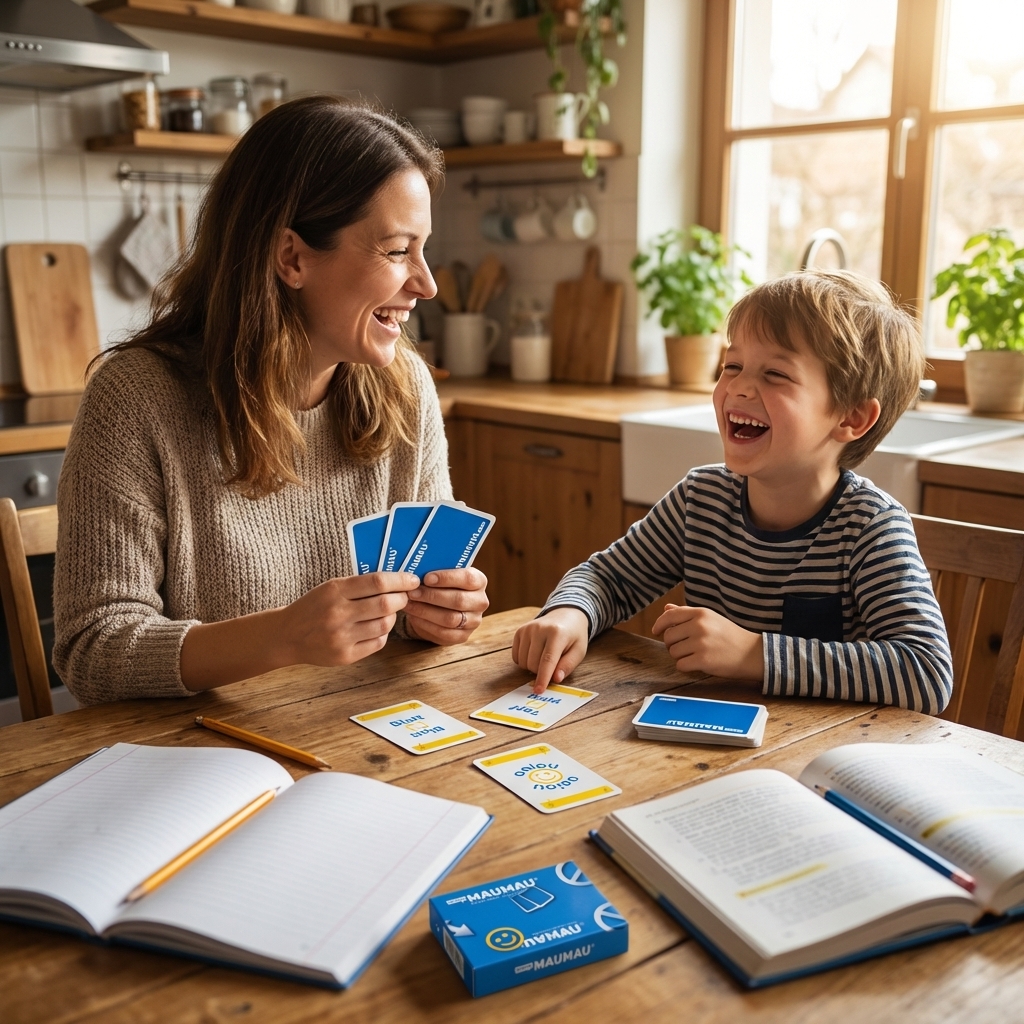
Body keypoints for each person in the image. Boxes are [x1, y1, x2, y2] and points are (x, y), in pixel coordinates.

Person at [54, 97, 489, 705]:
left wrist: (440, 612)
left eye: (423, 249)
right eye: (397, 250)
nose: (427, 283)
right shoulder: (134, 400)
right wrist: (283, 637)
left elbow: (421, 598)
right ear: (292, 258)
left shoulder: (406, 387)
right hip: (199, 765)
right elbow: (92, 651)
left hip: (360, 740)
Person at [512, 270, 952, 714]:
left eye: (776, 373)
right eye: (732, 365)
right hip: (702, 736)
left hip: (818, 754)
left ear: (851, 419)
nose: (739, 387)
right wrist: (570, 615)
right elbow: (609, 579)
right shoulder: (700, 500)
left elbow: (927, 673)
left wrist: (753, 654)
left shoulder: (869, 528)